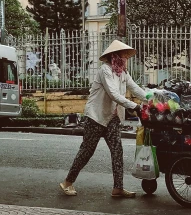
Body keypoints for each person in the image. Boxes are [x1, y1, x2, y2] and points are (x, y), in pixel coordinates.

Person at [60, 40, 147, 198]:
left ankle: (118, 188)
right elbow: (113, 94)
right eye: (123, 56)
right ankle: (67, 182)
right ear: (115, 56)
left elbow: (135, 88)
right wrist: (134, 106)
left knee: (117, 151)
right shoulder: (105, 71)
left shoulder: (123, 73)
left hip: (112, 118)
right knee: (87, 151)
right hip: (96, 117)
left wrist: (151, 98)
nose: (126, 59)